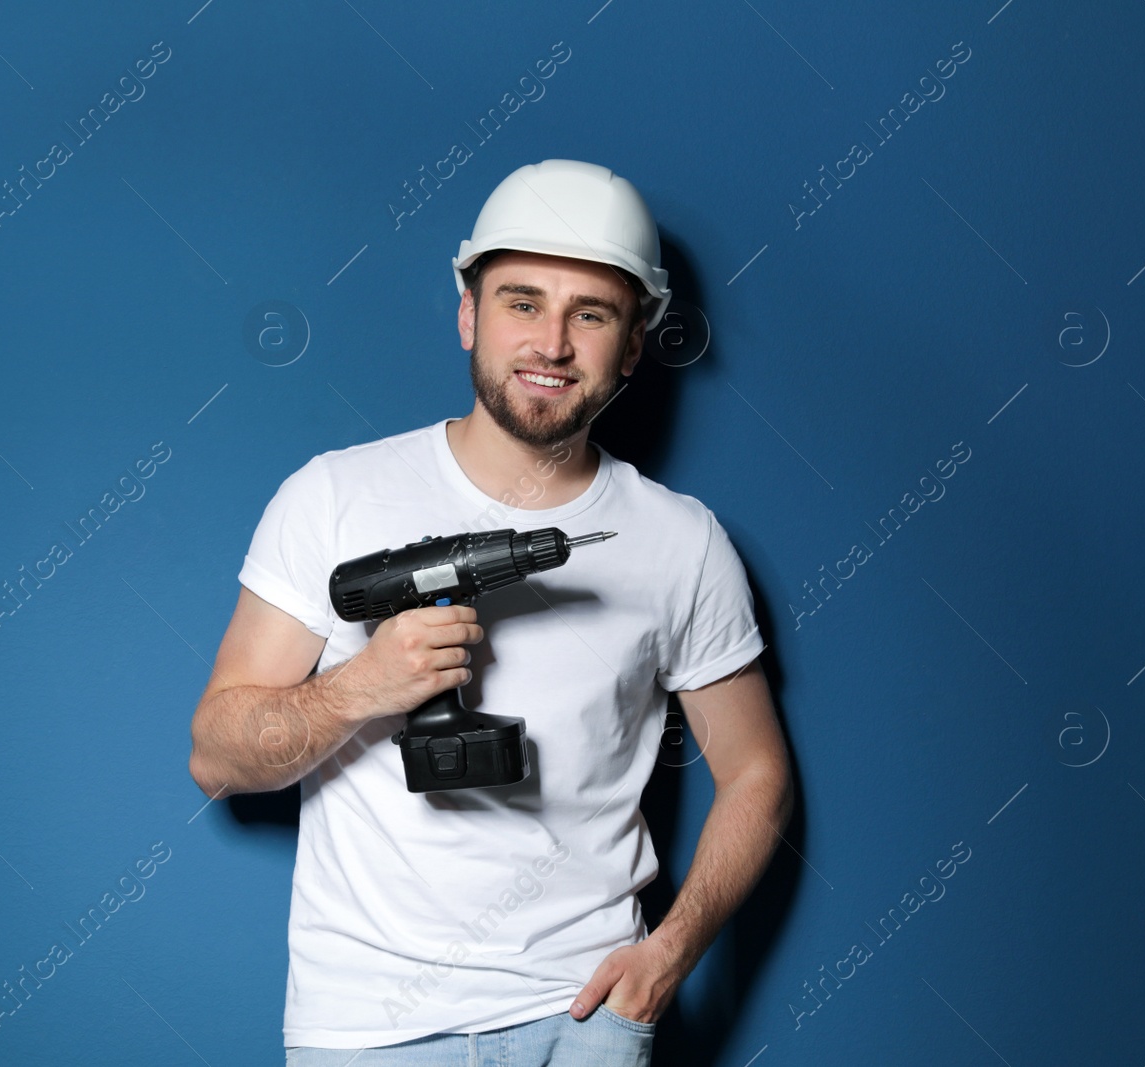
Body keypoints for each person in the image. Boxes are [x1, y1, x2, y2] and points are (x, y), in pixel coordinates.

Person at [189, 159, 793, 1066]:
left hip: (586, 1019)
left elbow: (757, 775)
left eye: (591, 314)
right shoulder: (333, 498)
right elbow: (217, 760)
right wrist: (361, 686)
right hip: (370, 1030)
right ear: (469, 312)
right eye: (521, 302)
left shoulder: (682, 541)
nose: (550, 344)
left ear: (633, 346)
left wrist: (670, 954)